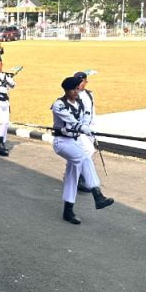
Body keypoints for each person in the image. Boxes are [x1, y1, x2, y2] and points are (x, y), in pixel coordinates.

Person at [51, 76, 113, 225]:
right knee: (84, 157)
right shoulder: (58, 105)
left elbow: (84, 119)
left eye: (76, 89)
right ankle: (97, 194)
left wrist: (87, 128)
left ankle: (68, 210)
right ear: (66, 91)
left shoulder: (80, 102)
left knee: (73, 176)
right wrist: (82, 128)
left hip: (75, 141)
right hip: (62, 143)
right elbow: (71, 121)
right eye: (72, 90)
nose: (75, 92)